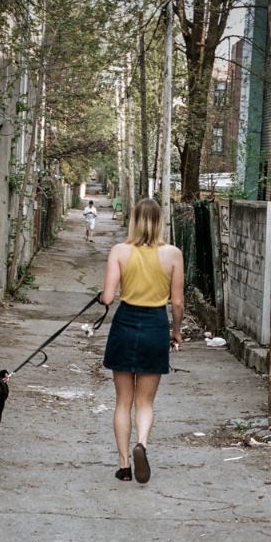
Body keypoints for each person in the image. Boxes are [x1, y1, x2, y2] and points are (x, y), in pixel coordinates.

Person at [98, 198, 183, 483]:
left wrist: (102, 294)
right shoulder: (173, 254)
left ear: (134, 220)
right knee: (145, 402)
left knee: (124, 401)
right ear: (160, 221)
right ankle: (141, 444)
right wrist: (177, 330)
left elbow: (108, 298)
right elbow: (179, 302)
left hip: (125, 325)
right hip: (155, 325)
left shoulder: (120, 251)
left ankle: (123, 466)